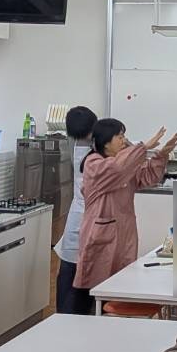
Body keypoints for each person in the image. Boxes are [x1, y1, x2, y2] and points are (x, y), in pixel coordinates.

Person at [75, 118, 177, 292]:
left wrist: (162, 154)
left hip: (124, 233)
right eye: (119, 136)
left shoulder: (125, 164)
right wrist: (143, 147)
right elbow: (116, 169)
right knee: (97, 288)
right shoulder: (93, 163)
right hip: (100, 234)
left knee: (122, 284)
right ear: (105, 142)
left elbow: (148, 177)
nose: (124, 140)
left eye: (124, 136)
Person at [54, 105, 98, 315]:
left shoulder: (74, 143)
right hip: (86, 215)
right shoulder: (94, 151)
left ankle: (66, 315)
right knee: (77, 274)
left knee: (70, 271)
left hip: (78, 214)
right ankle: (72, 315)